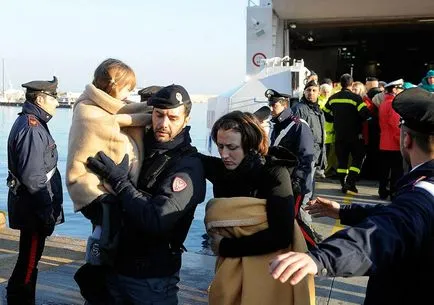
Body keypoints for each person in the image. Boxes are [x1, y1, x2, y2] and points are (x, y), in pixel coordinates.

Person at [269, 87, 434, 305]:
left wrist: (321, 257)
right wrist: (344, 212)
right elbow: (398, 214)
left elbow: (387, 230)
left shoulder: (423, 192)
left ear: (406, 140)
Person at [86, 84, 206, 304]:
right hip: (114, 266)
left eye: (172, 117)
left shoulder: (187, 167)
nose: (163, 124)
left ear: (186, 119)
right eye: (159, 115)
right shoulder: (138, 149)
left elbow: (156, 219)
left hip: (150, 280)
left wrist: (120, 183)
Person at [201, 111, 314, 305]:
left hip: (269, 269)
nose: (224, 154)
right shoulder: (222, 169)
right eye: (220, 146)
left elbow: (281, 235)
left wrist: (225, 246)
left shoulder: (274, 172)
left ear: (250, 144)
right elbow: (183, 153)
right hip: (232, 268)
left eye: (232, 147)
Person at [6, 77, 64, 304]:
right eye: (54, 97)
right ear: (40, 98)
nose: (57, 103)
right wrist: (46, 213)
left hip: (32, 208)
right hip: (34, 211)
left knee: (29, 260)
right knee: (28, 262)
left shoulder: (34, 123)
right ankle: (19, 300)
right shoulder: (32, 128)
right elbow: (33, 178)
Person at [266, 88, 322, 246]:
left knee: (298, 222)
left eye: (274, 105)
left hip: (296, 187)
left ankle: (317, 250)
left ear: (284, 104)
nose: (270, 108)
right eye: (269, 104)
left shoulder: (298, 126)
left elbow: (307, 159)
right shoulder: (278, 126)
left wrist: (300, 184)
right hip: (284, 184)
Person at [323, 73, 371, 194]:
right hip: (355, 135)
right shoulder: (356, 98)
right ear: (351, 84)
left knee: (342, 161)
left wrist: (333, 119)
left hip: (339, 135)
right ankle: (350, 182)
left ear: (340, 83)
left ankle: (344, 184)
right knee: (358, 158)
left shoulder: (333, 98)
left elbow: (325, 112)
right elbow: (366, 114)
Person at [378, 79, 405, 199]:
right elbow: (396, 125)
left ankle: (382, 191)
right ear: (394, 89)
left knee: (384, 169)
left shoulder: (384, 103)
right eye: (399, 88)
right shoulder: (394, 104)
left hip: (384, 142)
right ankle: (394, 192)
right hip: (394, 143)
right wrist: (401, 140)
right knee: (396, 170)